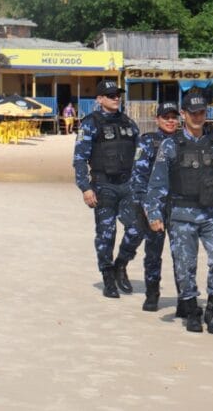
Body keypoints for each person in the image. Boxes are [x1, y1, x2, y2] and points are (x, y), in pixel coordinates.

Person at [144, 92, 213, 334]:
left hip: (211, 214)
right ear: (183, 114)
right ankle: (193, 310)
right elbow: (157, 184)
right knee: (185, 268)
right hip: (181, 216)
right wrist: (153, 214)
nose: (197, 117)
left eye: (201, 112)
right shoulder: (170, 145)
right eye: (192, 113)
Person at [73, 79, 141, 298]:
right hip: (103, 185)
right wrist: (85, 187)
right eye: (111, 95)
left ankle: (120, 264)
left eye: (118, 94)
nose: (116, 98)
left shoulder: (129, 123)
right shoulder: (90, 123)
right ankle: (108, 276)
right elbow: (79, 159)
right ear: (99, 99)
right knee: (106, 234)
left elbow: (140, 156)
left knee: (137, 228)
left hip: (128, 184)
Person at [127, 101, 180, 311]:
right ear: (157, 119)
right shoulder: (148, 142)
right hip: (154, 207)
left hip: (178, 207)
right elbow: (138, 177)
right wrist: (146, 207)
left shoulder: (185, 141)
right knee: (152, 254)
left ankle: (185, 297)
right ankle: (152, 294)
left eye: (173, 117)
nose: (170, 121)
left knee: (182, 255)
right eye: (166, 117)